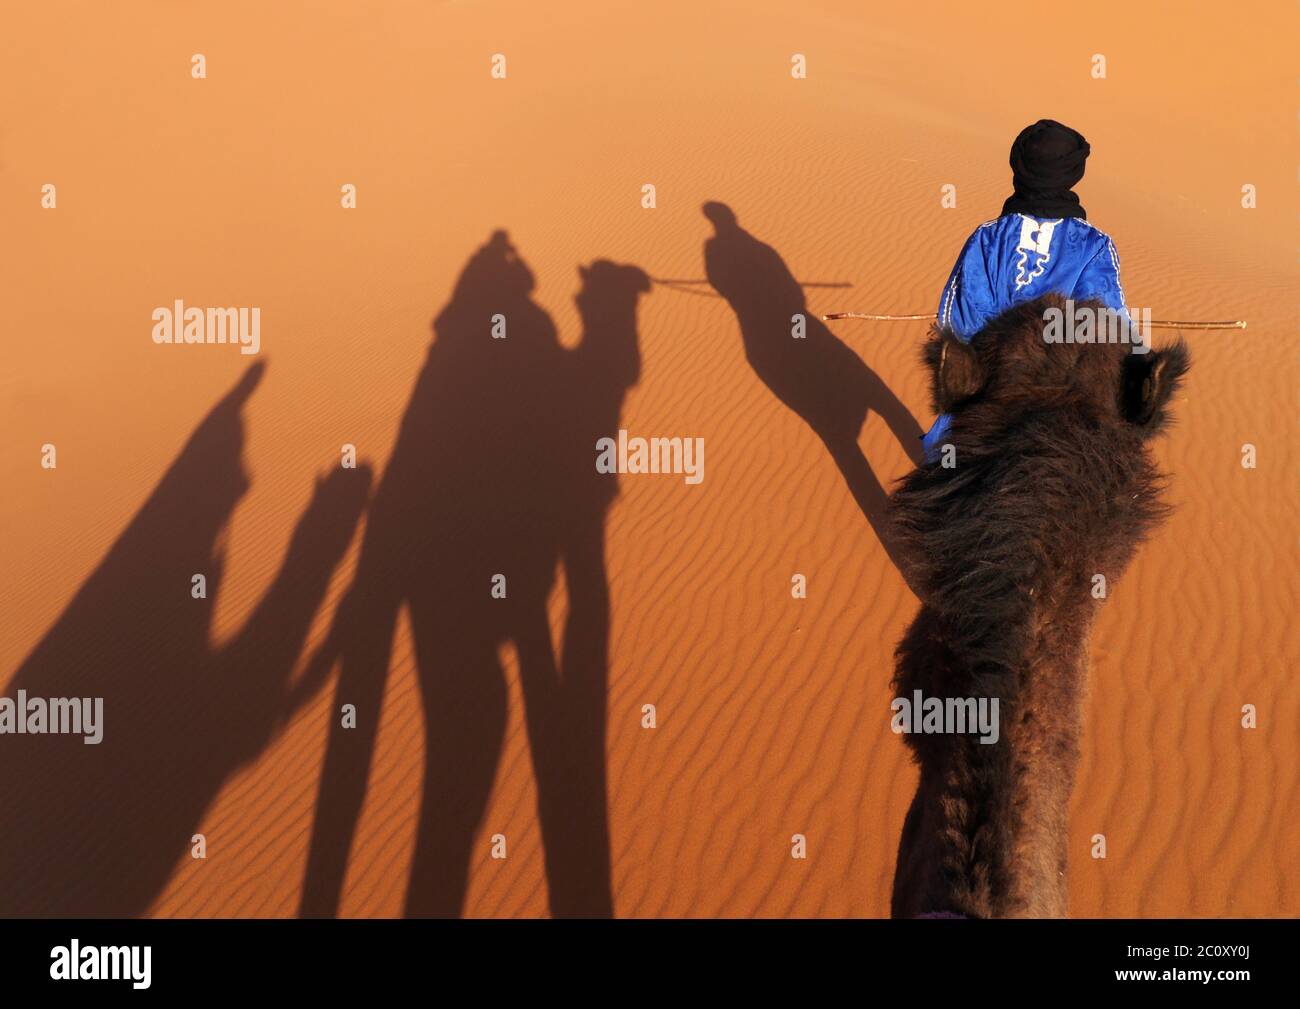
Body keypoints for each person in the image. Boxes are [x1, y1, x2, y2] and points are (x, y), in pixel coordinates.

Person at [922, 119, 1129, 461]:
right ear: (1073, 173)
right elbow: (1108, 325)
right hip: (1056, 388)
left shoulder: (987, 237)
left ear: (1019, 169)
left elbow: (957, 320)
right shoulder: (1094, 245)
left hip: (989, 378)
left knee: (951, 460)